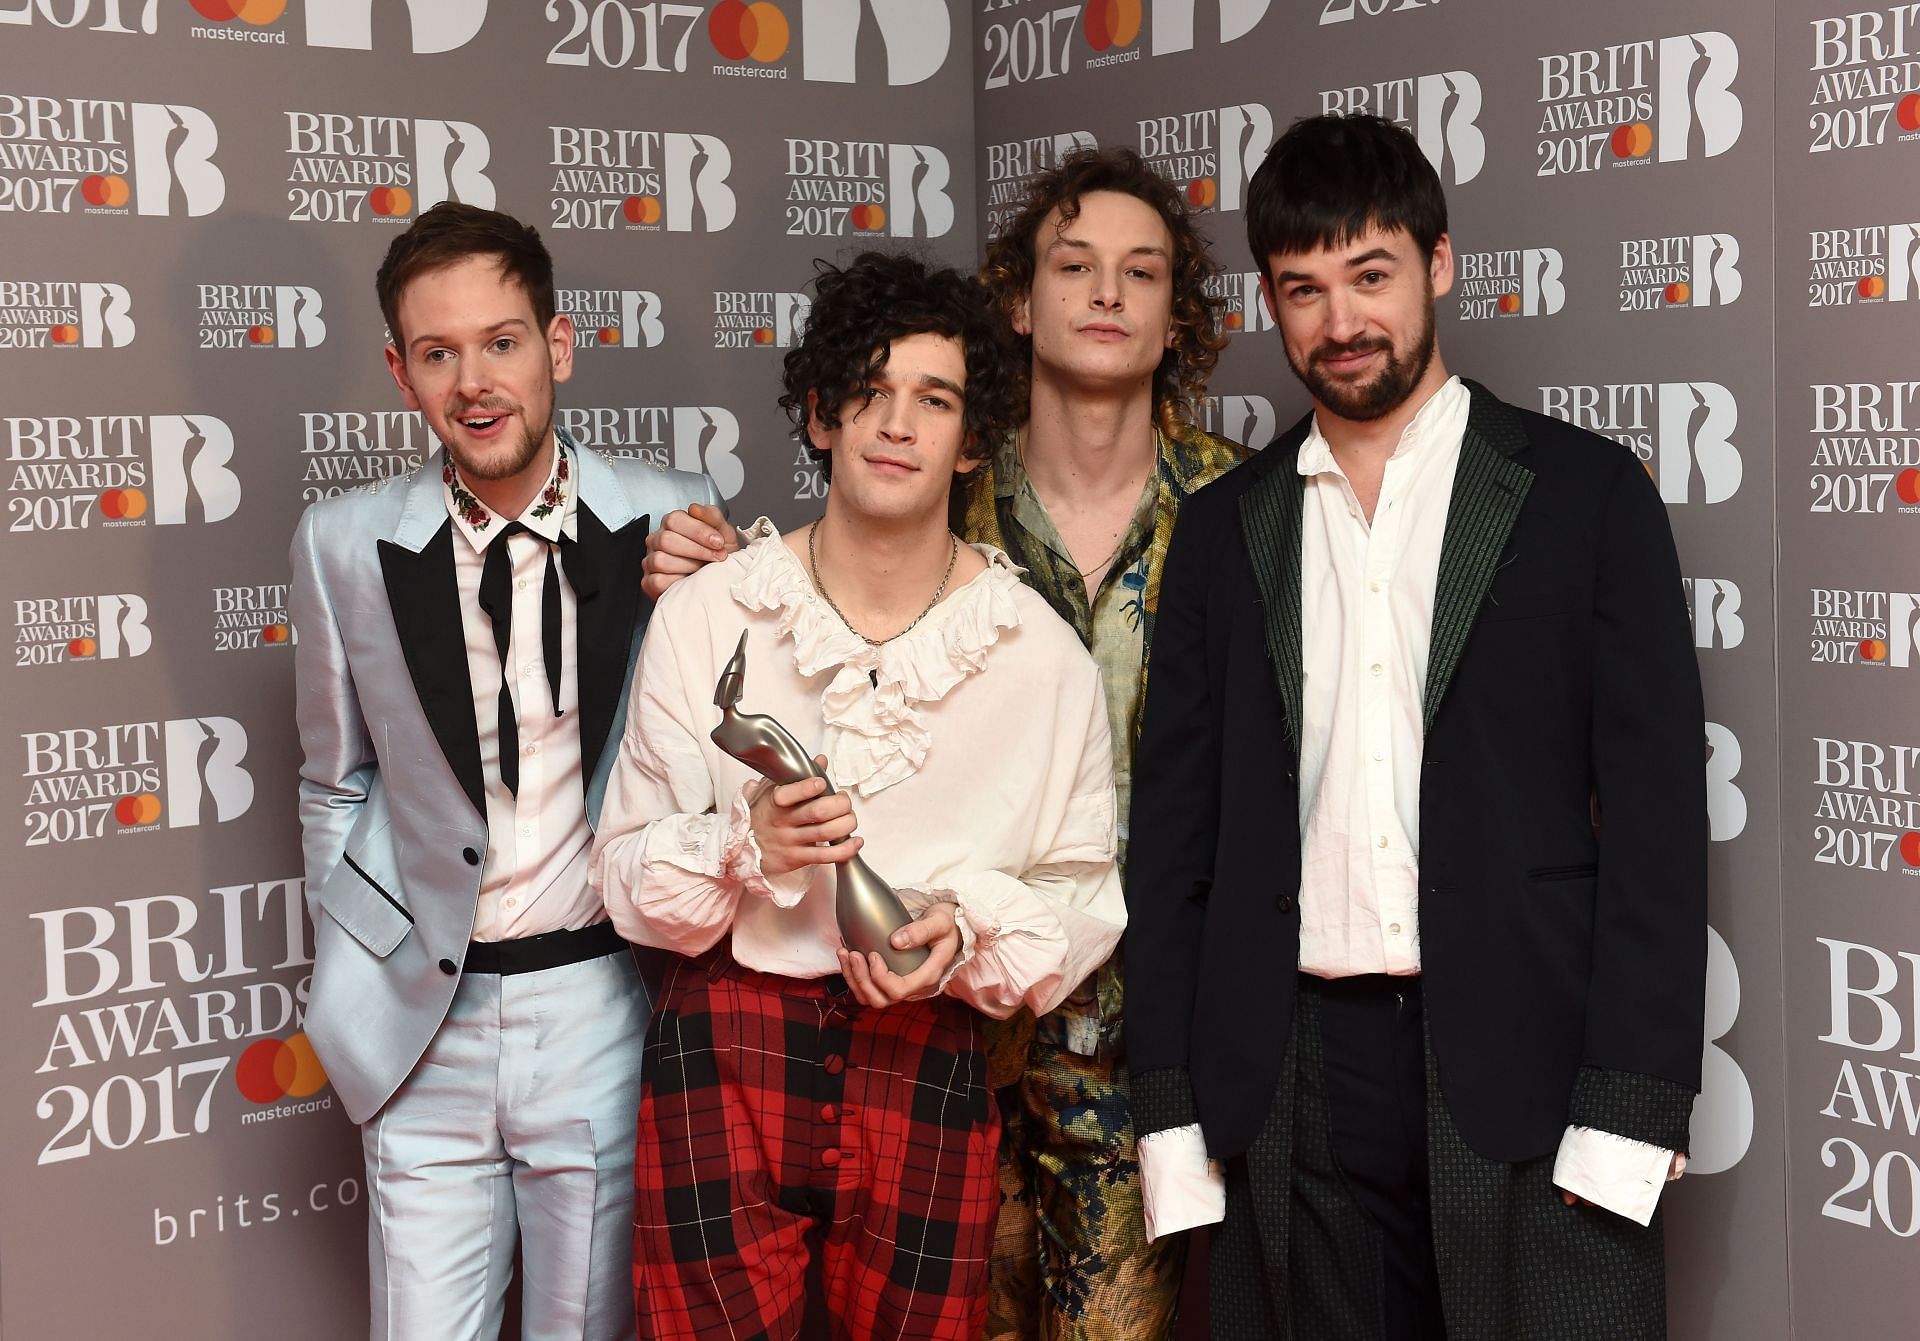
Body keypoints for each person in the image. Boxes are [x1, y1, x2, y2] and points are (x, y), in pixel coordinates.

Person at [641, 148, 1246, 1341]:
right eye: (1074, 266)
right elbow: (835, 573)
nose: (1106, 296)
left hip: (1131, 1009)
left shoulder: (1239, 509)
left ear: (1180, 314)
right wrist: (701, 575)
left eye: (1140, 272)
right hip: (937, 1016)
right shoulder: (940, 480)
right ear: (1022, 300)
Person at [1126, 113, 1709, 1340]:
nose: (1341, 323)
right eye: (1304, 290)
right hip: (1288, 1083)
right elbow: (1173, 851)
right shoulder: (1227, 535)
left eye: (1371, 276)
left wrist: (1632, 1109)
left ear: (1439, 264)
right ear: (1270, 306)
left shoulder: (1585, 498)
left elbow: (1658, 833)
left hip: (1527, 1062)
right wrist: (1173, 1119)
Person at [590, 250, 1128, 1341]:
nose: (897, 424)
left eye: (933, 400)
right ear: (820, 412)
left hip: (925, 1054)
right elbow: (624, 875)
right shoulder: (710, 616)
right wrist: (749, 844)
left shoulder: (1040, 658)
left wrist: (964, 928)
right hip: (722, 1048)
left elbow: (1083, 895)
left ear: (972, 438)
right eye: (869, 392)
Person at [289, 201, 721, 1340]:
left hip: (601, 1007)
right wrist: (361, 964)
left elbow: (719, 751)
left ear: (557, 345)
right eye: (438, 353)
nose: (474, 382)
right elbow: (335, 781)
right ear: (400, 372)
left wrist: (728, 597)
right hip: (420, 1021)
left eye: (501, 342)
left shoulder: (671, 518)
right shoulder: (340, 547)